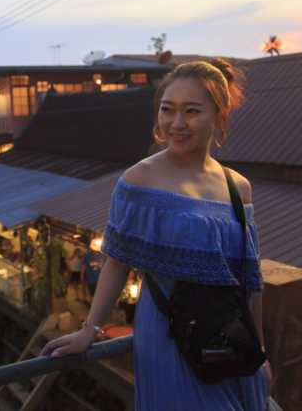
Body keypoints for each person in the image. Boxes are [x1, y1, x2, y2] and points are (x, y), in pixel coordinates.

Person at [41, 60, 272, 410]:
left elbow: (249, 279)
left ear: (220, 115)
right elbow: (116, 264)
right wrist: (90, 330)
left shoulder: (237, 186)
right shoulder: (139, 180)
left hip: (231, 339)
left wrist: (260, 350)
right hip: (169, 337)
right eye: (168, 110)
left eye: (191, 111)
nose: (176, 123)